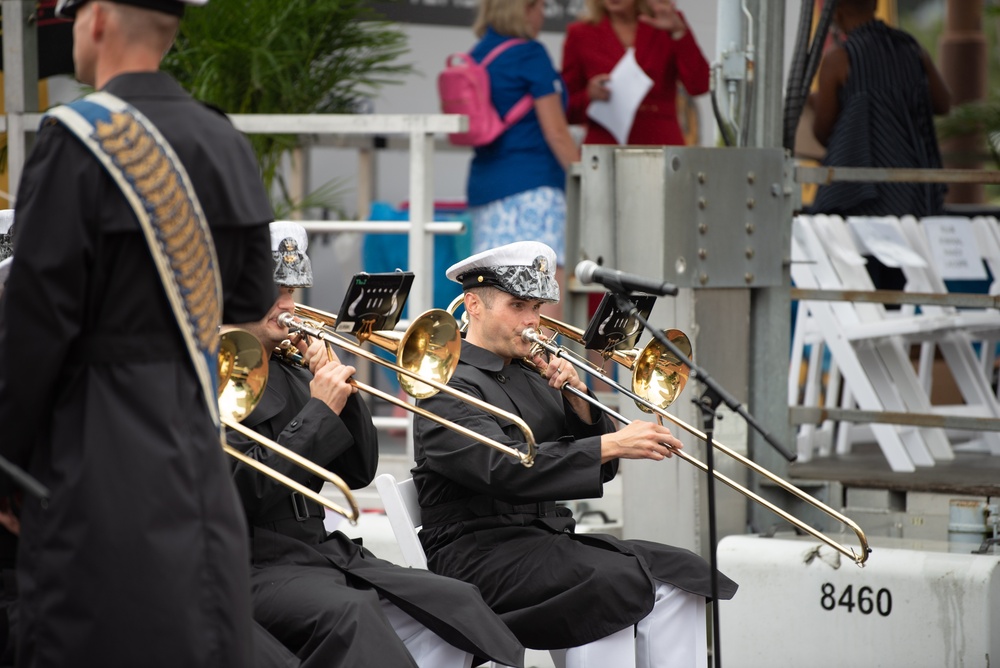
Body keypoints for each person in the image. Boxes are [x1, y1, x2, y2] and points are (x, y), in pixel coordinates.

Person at [0, 0, 277, 665]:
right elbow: (249, 298)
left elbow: (33, 328)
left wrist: (7, 465)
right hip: (193, 439)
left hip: (95, 448)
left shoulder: (75, 138)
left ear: (95, 19)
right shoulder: (225, 140)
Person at [412, 240, 738, 668]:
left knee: (683, 575)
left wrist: (581, 405)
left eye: (538, 308)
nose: (533, 321)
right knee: (614, 585)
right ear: (474, 303)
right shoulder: (444, 383)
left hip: (540, 544)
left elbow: (601, 471)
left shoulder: (530, 372)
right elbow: (506, 468)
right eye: (518, 306)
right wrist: (611, 442)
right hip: (478, 556)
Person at [226, 222, 525, 668]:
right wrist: (319, 411)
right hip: (253, 564)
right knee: (353, 613)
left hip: (314, 552)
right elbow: (239, 493)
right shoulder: (216, 371)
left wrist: (341, 395)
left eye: (291, 290)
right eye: (277, 292)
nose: (289, 305)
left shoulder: (289, 366)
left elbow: (357, 470)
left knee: (455, 601)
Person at [808, 0, 950, 291]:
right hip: (913, 196)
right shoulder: (911, 48)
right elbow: (943, 103)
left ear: (837, 12)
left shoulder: (840, 59)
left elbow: (823, 132)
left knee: (860, 289)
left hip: (859, 198)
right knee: (907, 291)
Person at [464, 0, 580, 317]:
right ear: (525, 9)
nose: (543, 12)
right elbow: (556, 132)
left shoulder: (478, 55)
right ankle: (541, 367)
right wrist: (588, 179)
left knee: (495, 297)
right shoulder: (531, 54)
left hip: (488, 191)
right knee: (540, 299)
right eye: (540, 5)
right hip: (534, 190)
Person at [561, 0, 709, 147]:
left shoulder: (666, 22)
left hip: (659, 143)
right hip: (606, 147)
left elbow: (699, 85)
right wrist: (589, 95)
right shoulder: (580, 33)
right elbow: (564, 109)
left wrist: (679, 33)